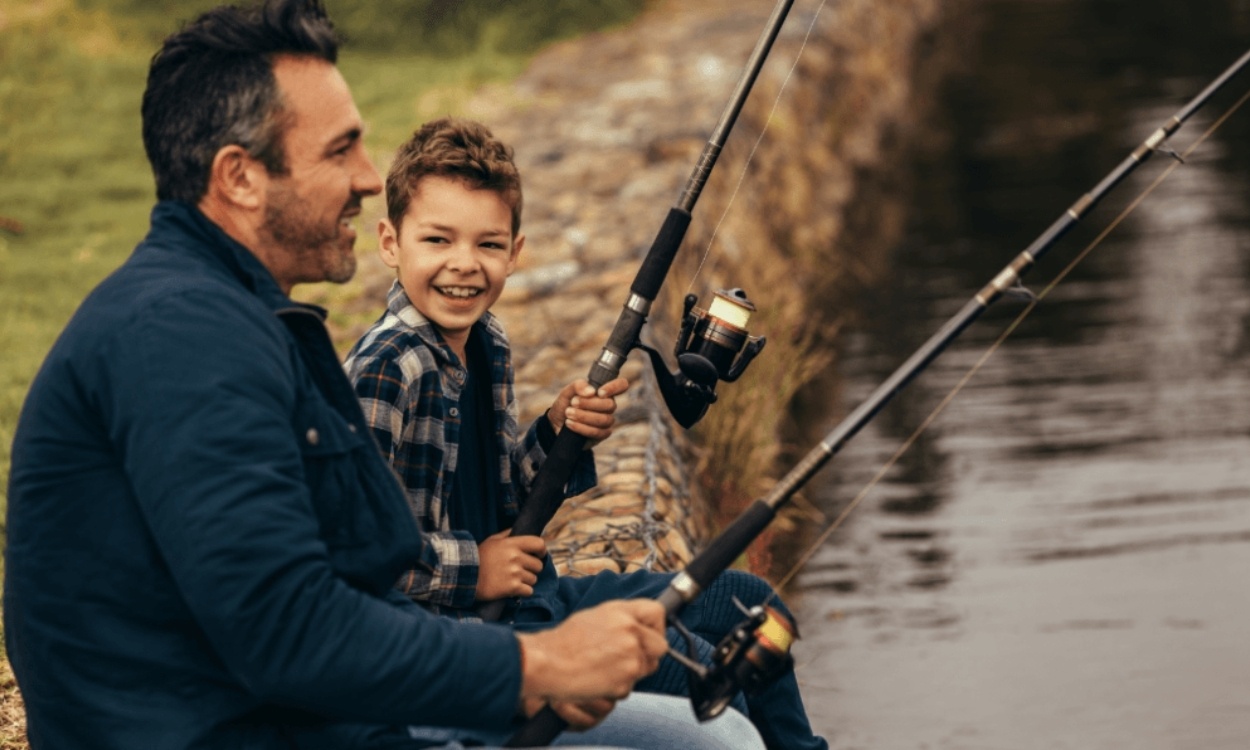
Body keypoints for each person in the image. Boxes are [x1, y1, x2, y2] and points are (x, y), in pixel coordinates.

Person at [1, 2, 767, 749]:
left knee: (722, 729)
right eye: (341, 151)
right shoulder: (180, 340)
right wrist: (536, 662)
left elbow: (343, 575)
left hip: (327, 714)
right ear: (239, 177)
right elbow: (289, 627)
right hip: (266, 727)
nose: (370, 178)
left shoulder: (235, 318)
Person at [344, 117, 829, 750]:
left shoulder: (485, 340)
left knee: (751, 607)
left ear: (516, 252)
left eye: (488, 245)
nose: (464, 265)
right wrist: (475, 569)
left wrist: (555, 432)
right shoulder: (387, 369)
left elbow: (505, 498)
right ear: (390, 242)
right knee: (711, 679)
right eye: (438, 239)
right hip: (454, 639)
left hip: (529, 602)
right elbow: (353, 554)